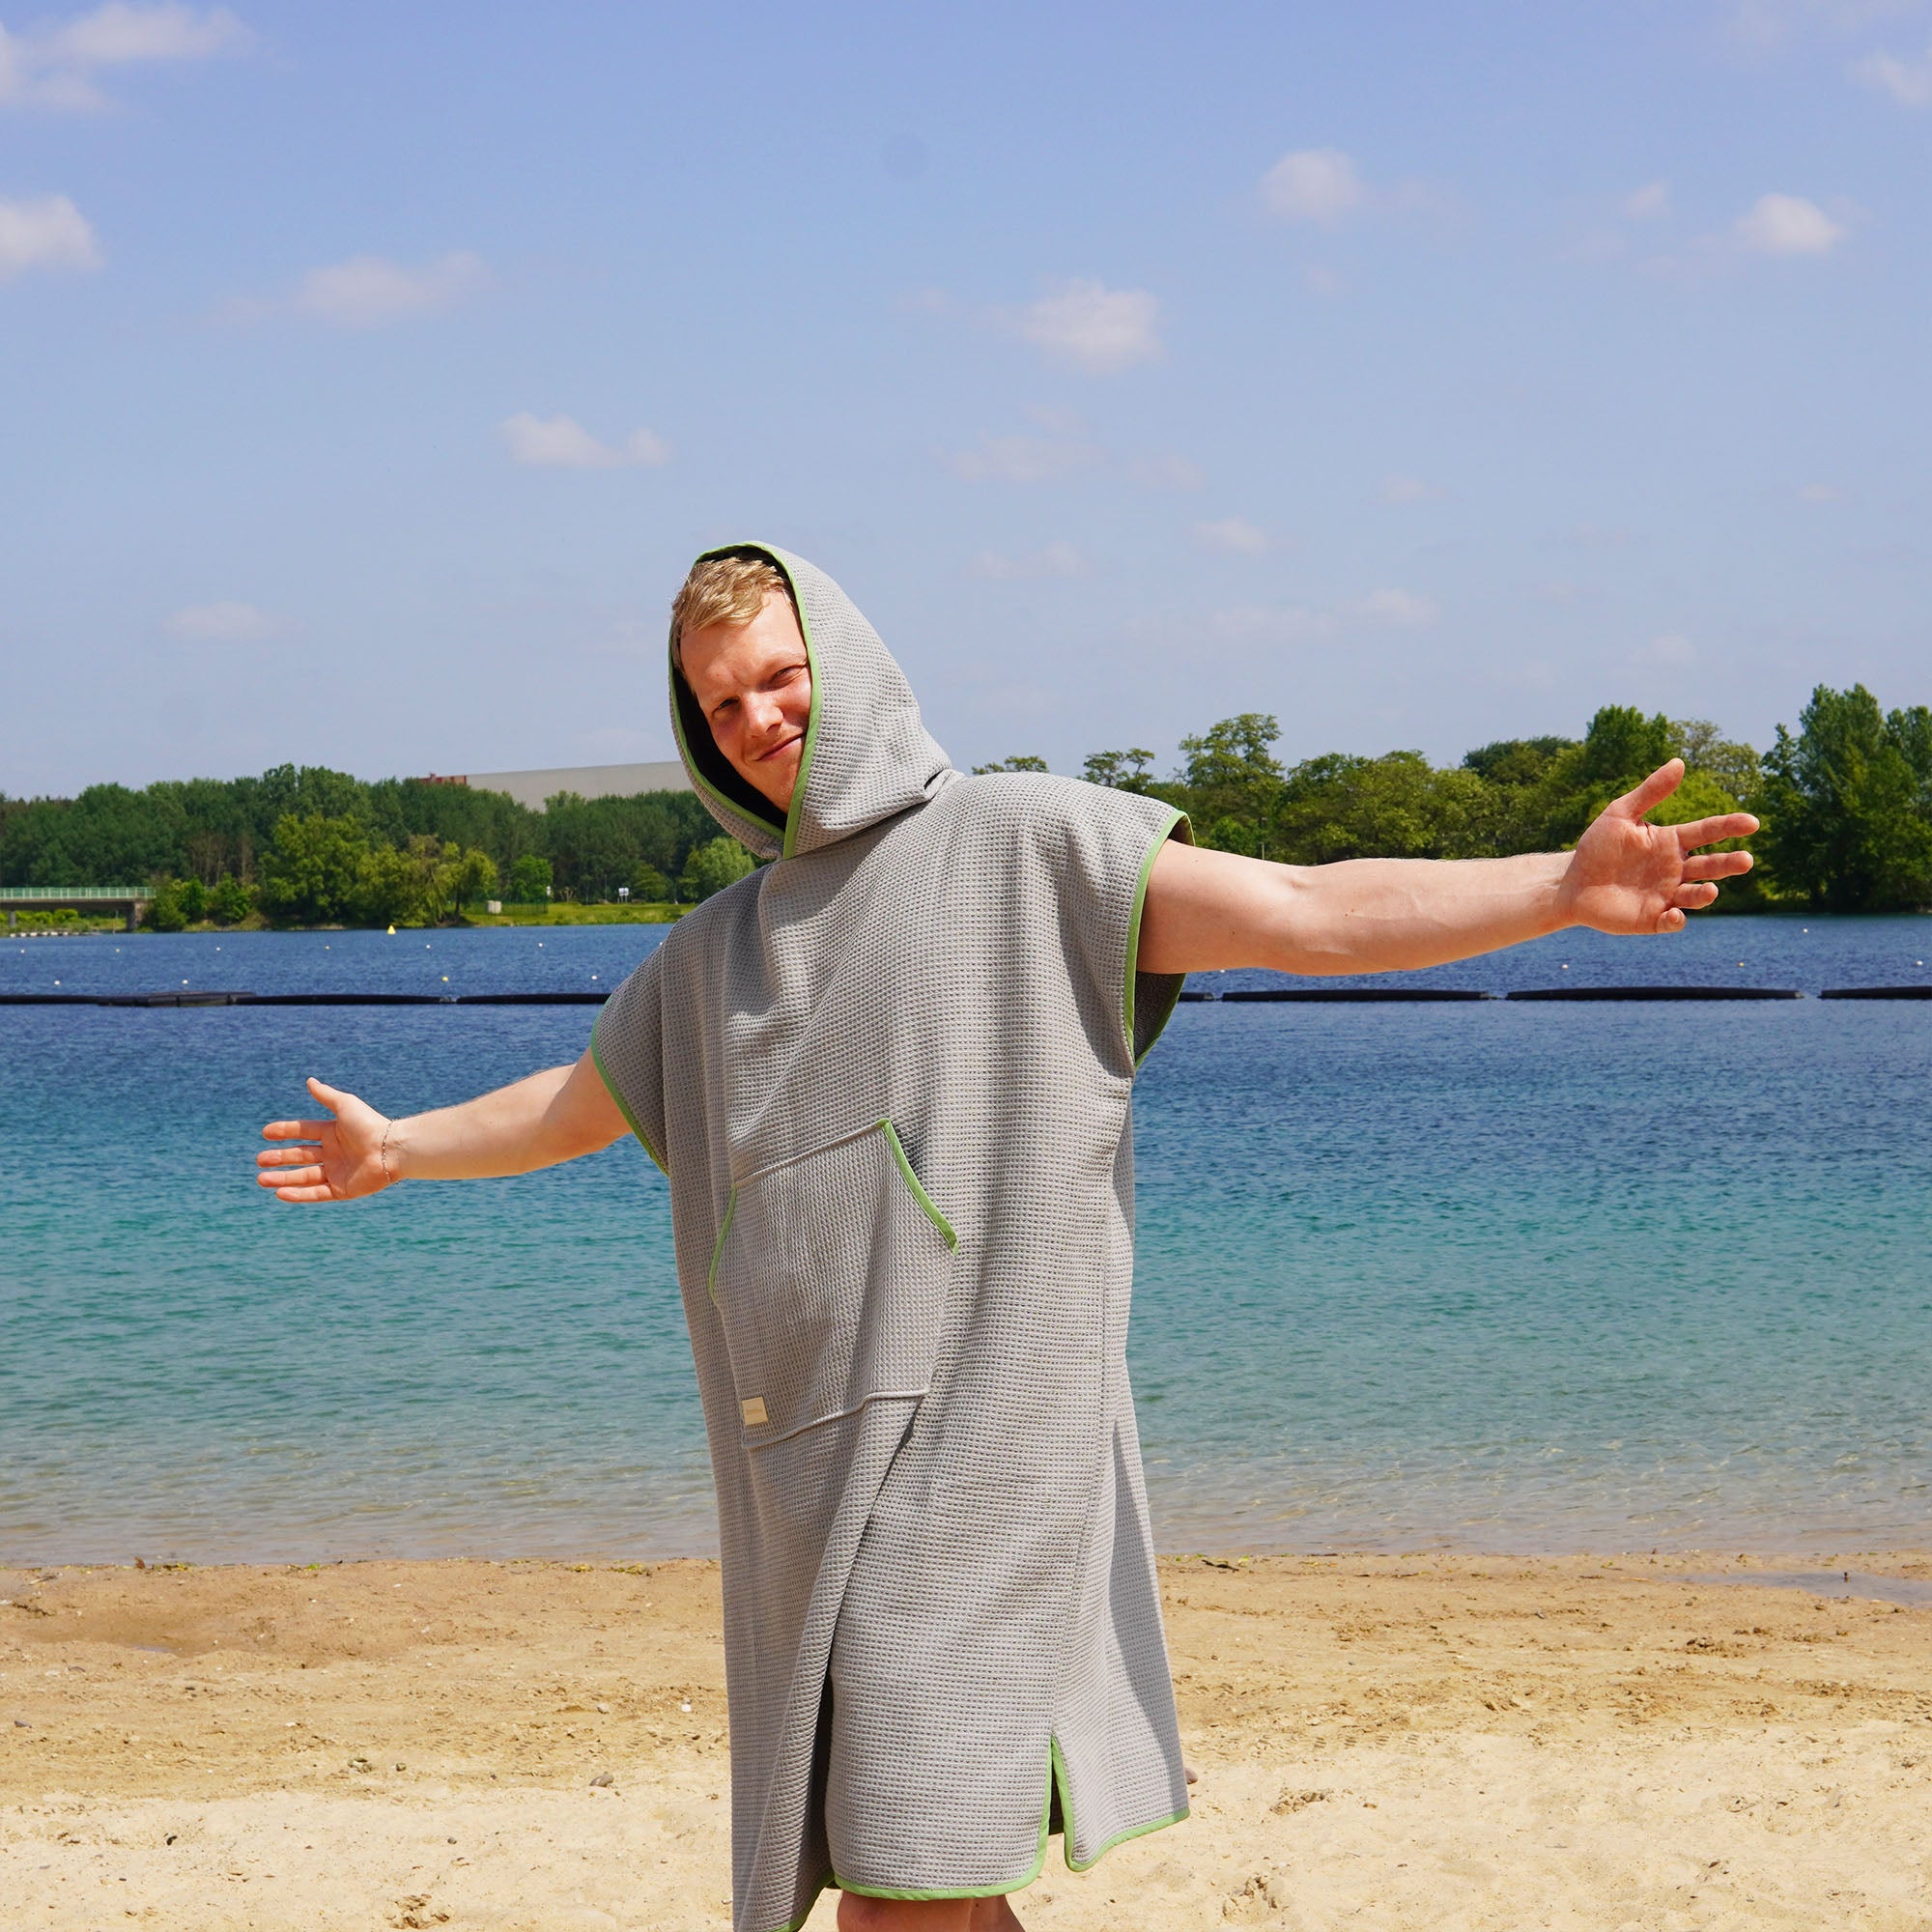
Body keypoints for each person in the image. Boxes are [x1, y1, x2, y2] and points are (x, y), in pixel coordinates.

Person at [256, 545, 1756, 1932]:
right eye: (721, 703)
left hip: (980, 1469)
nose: (759, 717)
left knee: (903, 1890)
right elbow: (577, 1104)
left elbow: (1303, 908)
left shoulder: (1021, 843)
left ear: (846, 662)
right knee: (935, 1889)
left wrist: (1556, 891)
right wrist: (399, 1148)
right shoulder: (707, 957)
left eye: (782, 676)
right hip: (807, 1487)